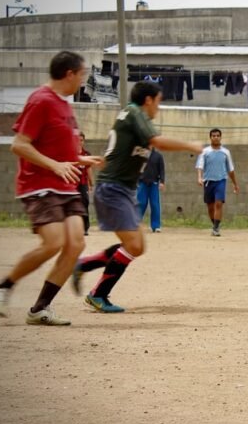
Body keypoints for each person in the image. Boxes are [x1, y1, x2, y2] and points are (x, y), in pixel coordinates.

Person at [0, 51, 102, 325]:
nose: (83, 80)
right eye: (82, 74)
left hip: (65, 184)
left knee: (76, 244)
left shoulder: (64, 105)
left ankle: (40, 308)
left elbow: (57, 148)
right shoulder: (41, 100)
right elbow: (19, 145)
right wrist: (55, 166)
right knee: (54, 243)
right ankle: (2, 287)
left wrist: (80, 159)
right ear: (69, 74)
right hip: (40, 184)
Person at [72, 81, 203, 313]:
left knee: (137, 246)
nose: (158, 107)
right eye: (158, 101)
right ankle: (97, 293)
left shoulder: (133, 116)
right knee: (133, 245)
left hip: (121, 189)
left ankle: (85, 265)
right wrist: (190, 145)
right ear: (148, 100)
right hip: (113, 189)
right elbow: (157, 142)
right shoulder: (135, 113)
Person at [196, 128, 239, 237]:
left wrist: (235, 184)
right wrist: (199, 178)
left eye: (217, 136)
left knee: (218, 203)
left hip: (221, 180)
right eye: (213, 136)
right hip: (208, 181)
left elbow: (231, 169)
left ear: (220, 137)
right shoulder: (205, 151)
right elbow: (200, 166)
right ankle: (215, 225)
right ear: (210, 138)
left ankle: (216, 228)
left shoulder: (226, 152)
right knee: (210, 207)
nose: (216, 138)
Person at [137, 145, 165, 232]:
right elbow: (135, 168)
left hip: (154, 183)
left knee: (154, 204)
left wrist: (162, 182)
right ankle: (136, 224)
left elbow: (162, 170)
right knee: (141, 203)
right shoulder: (141, 155)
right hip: (142, 183)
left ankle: (155, 226)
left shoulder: (158, 156)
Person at [77, 132, 94, 235]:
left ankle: (85, 227)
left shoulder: (87, 154)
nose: (79, 142)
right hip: (72, 184)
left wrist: (91, 183)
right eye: (77, 140)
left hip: (83, 183)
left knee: (85, 202)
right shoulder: (71, 153)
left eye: (81, 140)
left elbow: (89, 169)